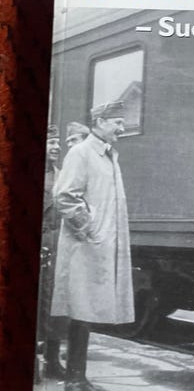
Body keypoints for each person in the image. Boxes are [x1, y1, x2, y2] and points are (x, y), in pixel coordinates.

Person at [51, 101, 134, 391]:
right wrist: (90, 227)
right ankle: (74, 380)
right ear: (100, 122)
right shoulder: (82, 152)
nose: (122, 128)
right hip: (85, 246)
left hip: (97, 245)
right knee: (81, 311)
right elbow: (64, 196)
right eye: (117, 122)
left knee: (84, 313)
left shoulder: (108, 155)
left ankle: (77, 378)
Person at [36, 124, 66, 381]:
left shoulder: (63, 175)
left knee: (55, 304)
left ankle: (53, 360)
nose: (57, 147)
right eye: (51, 142)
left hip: (58, 248)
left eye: (58, 143)